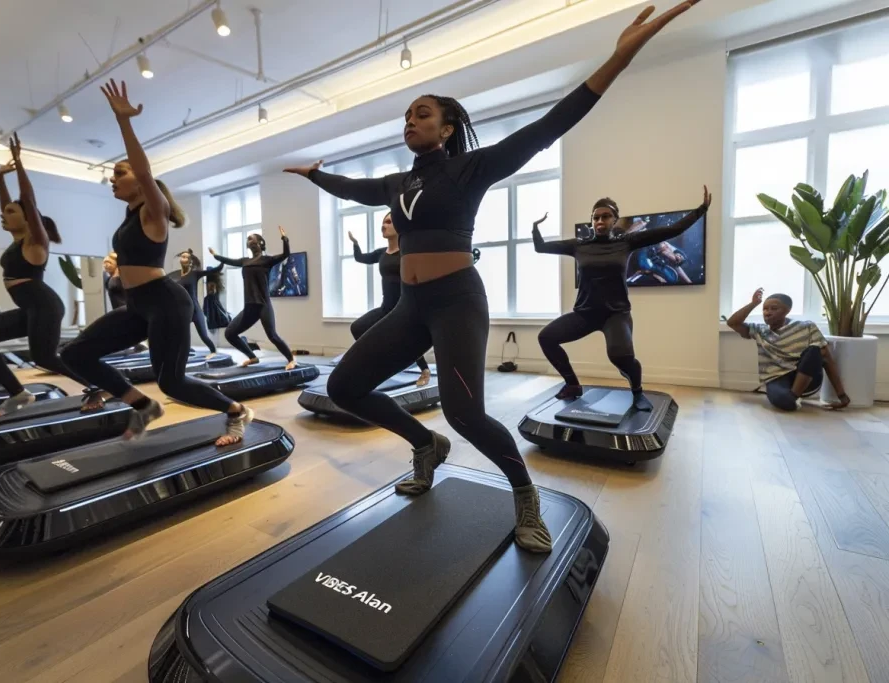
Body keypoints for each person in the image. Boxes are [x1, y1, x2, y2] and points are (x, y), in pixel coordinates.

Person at [284, 1, 705, 553]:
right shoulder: (394, 184)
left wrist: (618, 59)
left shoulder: (470, 168)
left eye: (423, 113)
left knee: (465, 413)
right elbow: (349, 189)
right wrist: (317, 176)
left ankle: (524, 493)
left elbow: (549, 126)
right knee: (343, 386)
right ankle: (424, 444)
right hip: (410, 307)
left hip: (457, 301)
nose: (411, 121)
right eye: (407, 116)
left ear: (448, 126)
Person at [60, 79, 252, 443]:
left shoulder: (155, 211)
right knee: (75, 354)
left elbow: (145, 172)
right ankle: (142, 406)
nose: (113, 179)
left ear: (143, 183)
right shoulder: (131, 218)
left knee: (172, 381)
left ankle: (237, 411)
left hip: (165, 301)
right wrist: (117, 268)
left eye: (120, 173)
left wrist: (124, 122)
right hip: (136, 305)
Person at [534, 187, 711, 411]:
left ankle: (637, 392)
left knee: (621, 357)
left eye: (605, 216)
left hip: (616, 314)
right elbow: (540, 247)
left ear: (615, 219)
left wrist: (701, 210)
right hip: (585, 314)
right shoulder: (578, 246)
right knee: (546, 337)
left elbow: (671, 230)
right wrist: (535, 228)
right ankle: (572, 384)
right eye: (596, 217)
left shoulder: (626, 242)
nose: (600, 221)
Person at [0, 134, 90, 418]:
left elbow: (27, 199)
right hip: (29, 307)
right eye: (4, 212)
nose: (3, 215)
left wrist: (19, 163)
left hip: (44, 305)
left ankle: (99, 384)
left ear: (28, 217)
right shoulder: (17, 239)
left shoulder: (35, 241)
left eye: (10, 212)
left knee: (44, 357)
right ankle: (18, 393)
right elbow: (10, 204)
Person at [726, 288, 850, 411]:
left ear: (787, 310)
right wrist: (753, 304)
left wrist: (842, 395)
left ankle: (794, 395)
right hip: (777, 377)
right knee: (782, 401)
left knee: (815, 350)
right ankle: (790, 399)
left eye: (774, 308)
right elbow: (733, 323)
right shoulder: (760, 330)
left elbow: (827, 359)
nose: (768, 312)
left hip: (807, 378)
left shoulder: (806, 326)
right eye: (765, 309)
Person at [347, 212, 432, 387]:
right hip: (386, 308)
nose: (383, 225)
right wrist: (355, 243)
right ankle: (378, 363)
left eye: (388, 222)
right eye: (383, 222)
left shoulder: (407, 252)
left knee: (408, 342)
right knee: (357, 328)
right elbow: (360, 258)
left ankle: (425, 369)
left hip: (404, 307)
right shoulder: (381, 253)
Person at [208, 229, 297, 370]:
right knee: (230, 333)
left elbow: (286, 254)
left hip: (263, 305)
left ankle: (291, 359)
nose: (249, 240)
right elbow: (229, 260)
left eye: (251, 238)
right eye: (247, 239)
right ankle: (252, 357)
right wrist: (216, 256)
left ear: (260, 243)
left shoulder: (267, 260)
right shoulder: (244, 261)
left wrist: (284, 238)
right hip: (249, 307)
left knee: (272, 336)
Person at [168, 248, 222, 356]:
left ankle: (213, 351)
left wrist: (219, 258)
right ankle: (186, 351)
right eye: (182, 257)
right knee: (181, 336)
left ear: (190, 261)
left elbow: (216, 269)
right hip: (183, 311)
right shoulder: (176, 276)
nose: (182, 259)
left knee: (204, 336)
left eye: (185, 257)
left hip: (195, 310)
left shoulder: (194, 274)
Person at [203, 265, 230, 332]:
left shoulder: (211, 284)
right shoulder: (215, 283)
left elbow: (212, 293)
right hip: (214, 300)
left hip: (212, 299)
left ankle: (213, 325)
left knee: (212, 309)